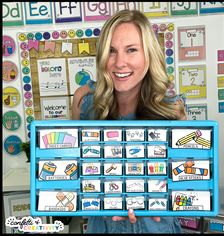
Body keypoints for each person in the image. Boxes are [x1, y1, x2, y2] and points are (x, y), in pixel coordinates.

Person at [72, 9, 186, 234]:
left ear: (149, 54)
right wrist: (104, 201)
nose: (119, 62)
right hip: (103, 226)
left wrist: (163, 200)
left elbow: (184, 180)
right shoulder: (84, 101)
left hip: (156, 226)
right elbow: (76, 174)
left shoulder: (173, 109)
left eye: (131, 50)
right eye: (111, 51)